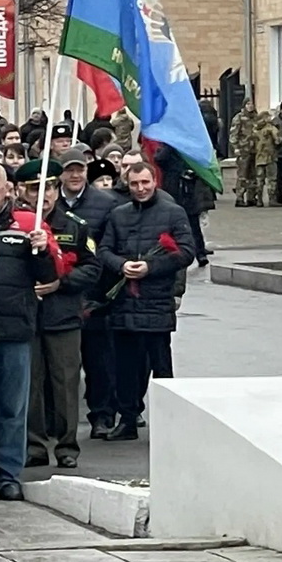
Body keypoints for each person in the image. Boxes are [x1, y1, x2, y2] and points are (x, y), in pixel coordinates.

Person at [0, 160, 59, 501]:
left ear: (8, 189)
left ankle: (8, 475)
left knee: (12, 410)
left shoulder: (26, 224)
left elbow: (48, 275)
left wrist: (41, 248)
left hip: (14, 328)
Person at [96, 161, 195, 441]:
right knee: (125, 366)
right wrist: (121, 265)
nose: (140, 188)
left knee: (161, 366)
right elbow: (104, 250)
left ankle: (167, 422)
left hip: (156, 301)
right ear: (127, 183)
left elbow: (186, 251)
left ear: (155, 182)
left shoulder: (173, 213)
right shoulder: (118, 215)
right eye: (135, 183)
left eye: (145, 183)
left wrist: (151, 267)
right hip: (125, 302)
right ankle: (128, 418)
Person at [19, 170, 101, 470]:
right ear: (22, 191)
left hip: (63, 315)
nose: (45, 195)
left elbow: (93, 268)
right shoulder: (16, 225)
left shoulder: (74, 226)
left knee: (65, 385)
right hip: (27, 316)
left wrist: (61, 283)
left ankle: (67, 446)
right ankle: (34, 445)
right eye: (35, 189)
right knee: (31, 385)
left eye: (51, 187)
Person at [228, 99, 257, 207]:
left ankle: (251, 197)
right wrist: (235, 147)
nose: (250, 106)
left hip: (254, 150)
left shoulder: (255, 117)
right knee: (242, 174)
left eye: (252, 104)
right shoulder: (239, 117)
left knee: (253, 175)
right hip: (243, 149)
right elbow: (233, 134)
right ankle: (239, 197)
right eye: (248, 104)